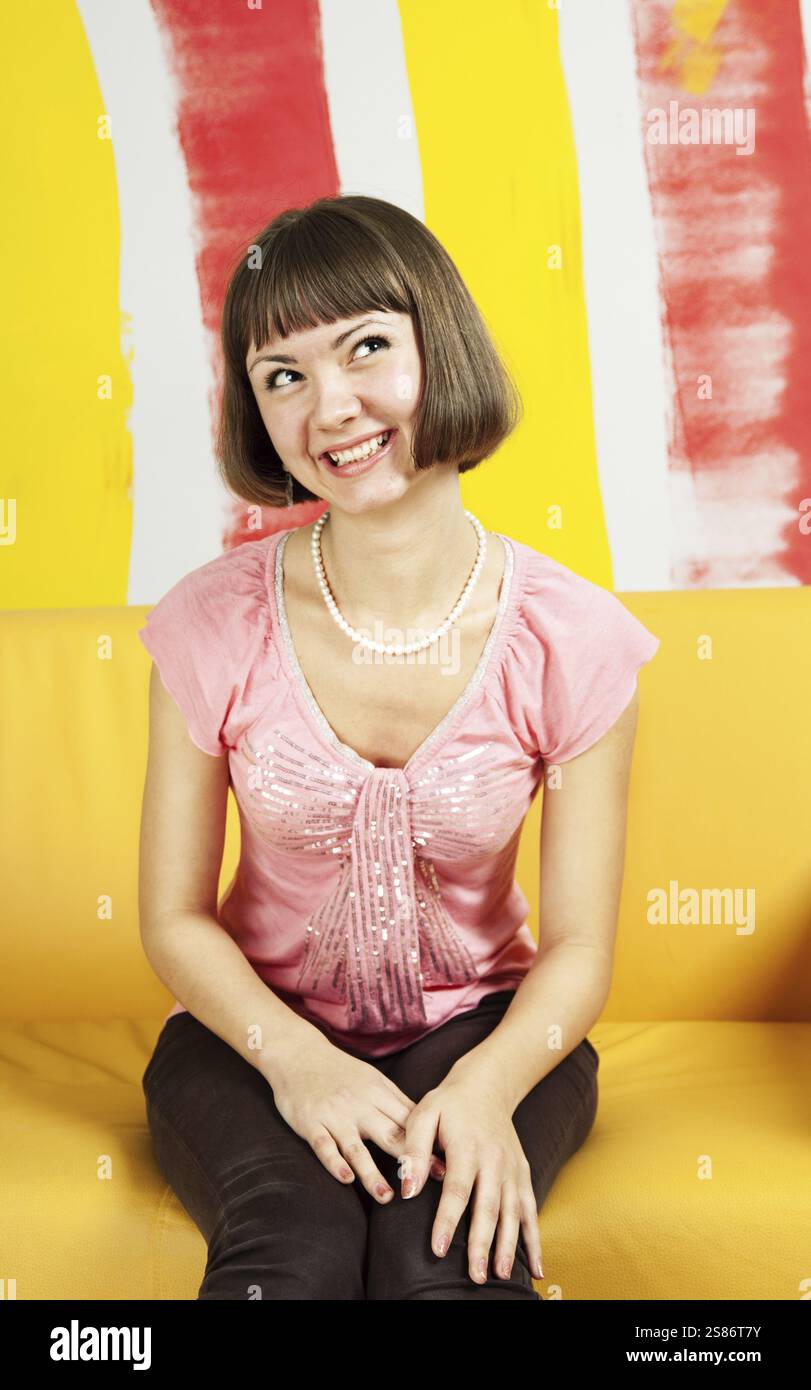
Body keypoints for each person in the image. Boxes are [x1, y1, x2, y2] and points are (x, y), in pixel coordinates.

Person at [138, 194, 660, 1301]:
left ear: (442, 344)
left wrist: (482, 1091)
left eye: (365, 346)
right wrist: (296, 1062)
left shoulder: (574, 639)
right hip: (247, 1036)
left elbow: (576, 946)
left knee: (449, 1264)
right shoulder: (206, 622)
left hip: (493, 1030)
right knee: (294, 1256)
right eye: (281, 375)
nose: (330, 407)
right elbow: (174, 917)